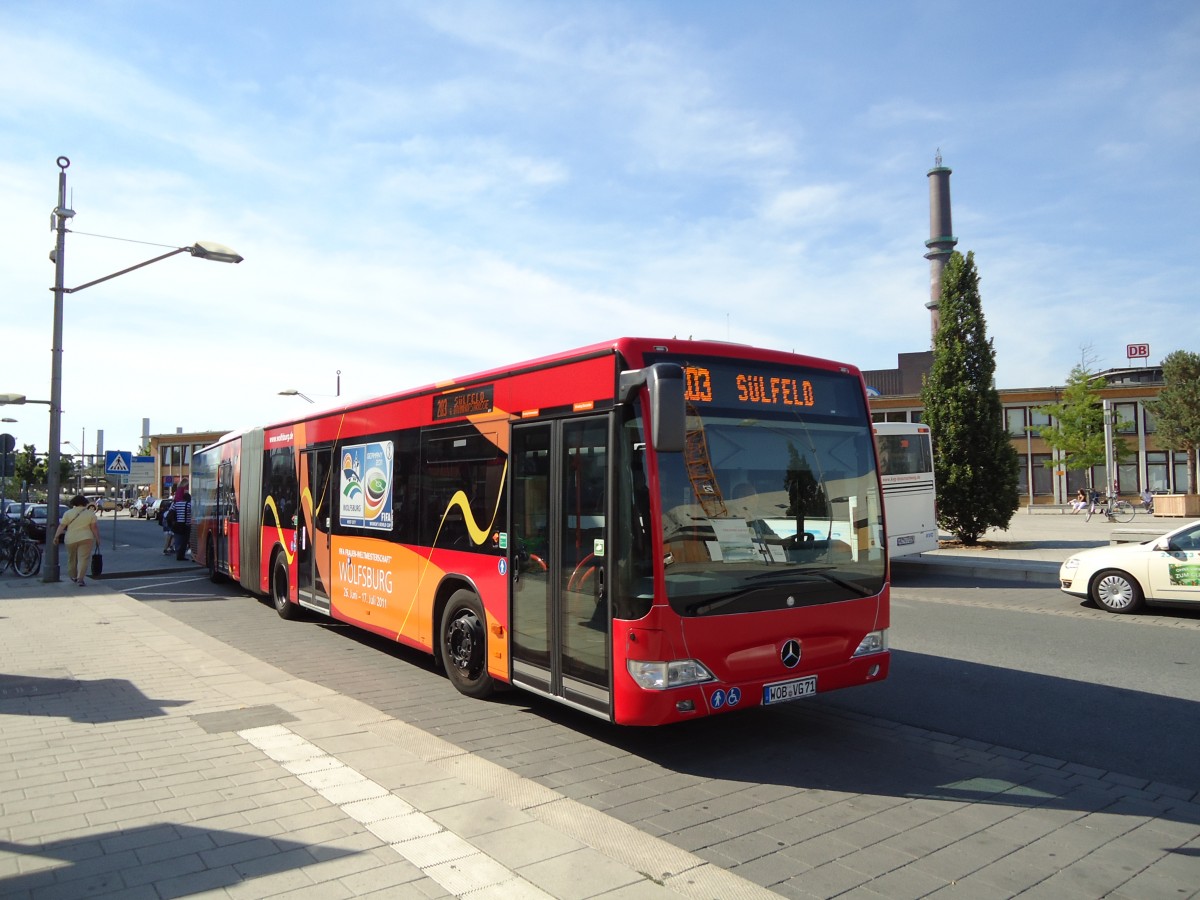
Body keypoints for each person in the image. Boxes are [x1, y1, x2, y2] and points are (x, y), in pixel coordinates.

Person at [54, 494, 101, 586]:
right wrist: (98, 539)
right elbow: (94, 528)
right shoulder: (90, 514)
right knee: (83, 558)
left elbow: (62, 525)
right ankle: (80, 578)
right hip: (86, 538)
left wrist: (56, 536)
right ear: (85, 503)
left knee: (72, 558)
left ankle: (73, 576)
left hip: (70, 538)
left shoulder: (68, 513)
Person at [170, 482, 193, 561]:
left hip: (177, 524)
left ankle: (178, 554)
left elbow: (171, 512)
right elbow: (193, 513)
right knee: (184, 541)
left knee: (178, 540)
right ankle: (181, 556)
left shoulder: (176, 504)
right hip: (186, 525)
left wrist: (173, 521)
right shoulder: (189, 505)